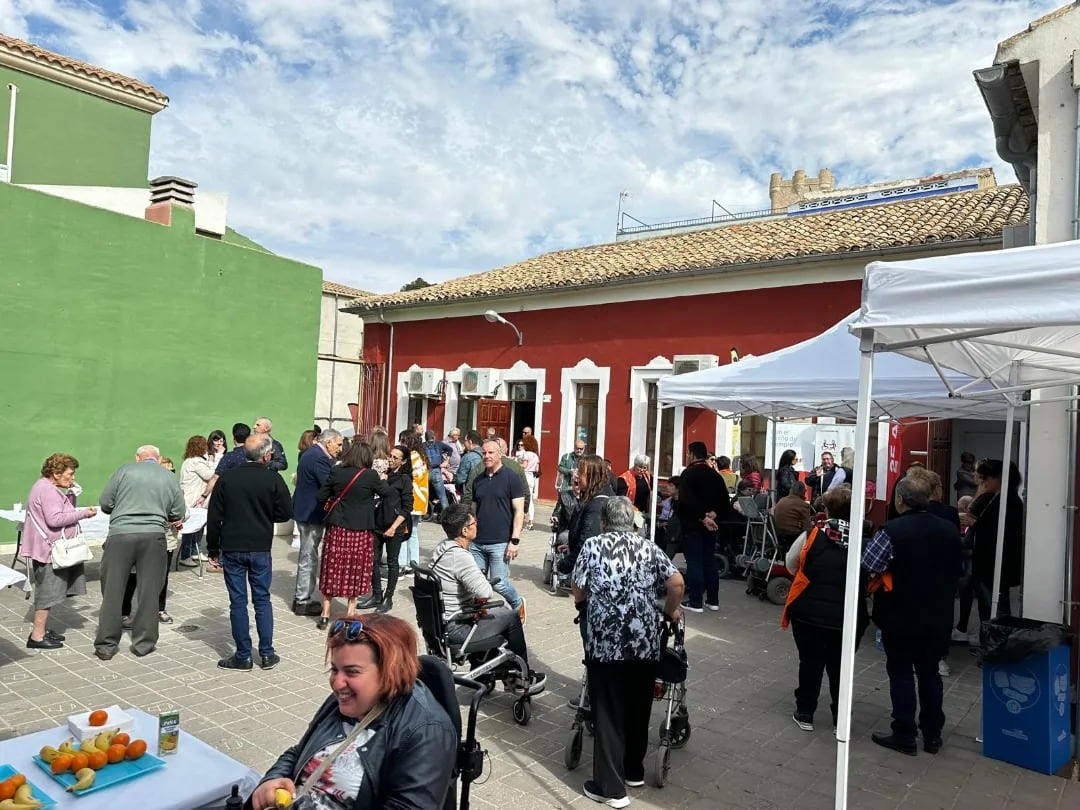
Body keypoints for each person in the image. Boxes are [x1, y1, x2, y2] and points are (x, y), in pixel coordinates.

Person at [249, 614, 458, 810]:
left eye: (352, 672)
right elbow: (298, 752)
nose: (337, 683)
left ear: (391, 671)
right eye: (334, 669)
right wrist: (272, 780)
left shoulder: (426, 732)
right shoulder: (343, 700)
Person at [571, 497, 685, 807]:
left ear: (604, 522)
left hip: (606, 645)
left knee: (607, 713)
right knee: (638, 708)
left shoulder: (593, 546)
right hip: (644, 643)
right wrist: (670, 612)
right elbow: (676, 582)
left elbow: (577, 587)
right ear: (632, 522)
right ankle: (634, 769)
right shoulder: (648, 547)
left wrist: (584, 603)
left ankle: (611, 789)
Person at [862, 476, 962, 756]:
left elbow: (869, 563)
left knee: (901, 673)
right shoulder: (949, 530)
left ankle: (904, 733)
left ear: (900, 500)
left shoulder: (892, 530)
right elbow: (959, 568)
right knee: (930, 673)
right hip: (938, 613)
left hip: (900, 613)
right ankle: (932, 735)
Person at [782, 485, 868, 732]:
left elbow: (791, 563)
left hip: (809, 612)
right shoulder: (864, 539)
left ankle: (806, 713)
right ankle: (840, 719)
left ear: (828, 508)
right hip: (848, 615)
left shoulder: (814, 534)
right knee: (841, 667)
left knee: (810, 663)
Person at [432, 503, 544, 687]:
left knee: (494, 614)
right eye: (474, 522)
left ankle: (485, 672)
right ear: (465, 530)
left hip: (441, 625)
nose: (478, 525)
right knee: (510, 617)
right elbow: (485, 592)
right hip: (457, 628)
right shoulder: (460, 557)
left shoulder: (441, 548)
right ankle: (522, 676)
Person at [207, 434, 293, 671]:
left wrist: (213, 549)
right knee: (262, 599)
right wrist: (267, 515)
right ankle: (266, 654)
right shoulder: (272, 478)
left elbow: (214, 517)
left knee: (238, 602)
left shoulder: (228, 478)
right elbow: (286, 512)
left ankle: (243, 655)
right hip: (260, 547)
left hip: (232, 546)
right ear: (266, 455)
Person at [95, 445, 185, 660]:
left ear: (138, 458)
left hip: (120, 534)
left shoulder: (123, 470)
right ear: (158, 458)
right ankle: (144, 644)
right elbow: (178, 511)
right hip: (153, 535)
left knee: (113, 591)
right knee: (149, 592)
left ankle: (106, 645)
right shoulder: (168, 476)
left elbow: (105, 503)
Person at [21, 453, 97, 649]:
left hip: (48, 548)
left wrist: (71, 494)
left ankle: (42, 630)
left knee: (49, 590)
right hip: (49, 550)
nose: (72, 478)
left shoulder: (47, 487)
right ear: (56, 473)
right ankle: (37, 636)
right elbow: (55, 519)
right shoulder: (47, 491)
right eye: (70, 474)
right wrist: (85, 514)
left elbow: (63, 511)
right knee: (47, 592)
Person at [318, 442, 390, 624]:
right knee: (356, 569)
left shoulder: (337, 472)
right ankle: (350, 612)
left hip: (338, 527)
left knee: (332, 568)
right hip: (360, 529)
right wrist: (382, 480)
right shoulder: (370, 475)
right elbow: (386, 493)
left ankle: (325, 613)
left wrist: (337, 498)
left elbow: (320, 496)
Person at [470, 439, 528, 625]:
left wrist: (515, 540)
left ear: (500, 454)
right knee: (476, 583)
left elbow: (519, 511)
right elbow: (473, 509)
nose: (486, 456)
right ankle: (481, 614)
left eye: (490, 453)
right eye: (484, 453)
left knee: (499, 583)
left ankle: (517, 604)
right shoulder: (478, 480)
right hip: (477, 541)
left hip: (500, 541)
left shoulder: (511, 477)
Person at [121, 456, 181, 626]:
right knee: (133, 576)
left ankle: (159, 609)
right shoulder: (144, 489)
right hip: (144, 537)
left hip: (166, 540)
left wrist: (179, 518)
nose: (170, 475)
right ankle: (124, 612)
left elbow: (184, 510)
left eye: (172, 471)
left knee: (162, 577)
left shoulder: (175, 489)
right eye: (166, 471)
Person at [676, 442, 734, 613]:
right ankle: (713, 600)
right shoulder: (715, 475)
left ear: (692, 454)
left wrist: (702, 517)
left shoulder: (688, 474)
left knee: (694, 561)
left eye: (688, 454)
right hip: (712, 526)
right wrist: (713, 515)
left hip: (694, 525)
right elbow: (725, 501)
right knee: (709, 560)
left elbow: (686, 501)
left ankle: (695, 601)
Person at [292, 429, 344, 617]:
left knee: (309, 555)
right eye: (338, 444)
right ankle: (302, 600)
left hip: (306, 511)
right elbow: (329, 484)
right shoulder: (318, 458)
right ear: (328, 442)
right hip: (310, 514)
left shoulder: (313, 454)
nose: (340, 448)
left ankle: (302, 596)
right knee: (308, 556)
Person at [964, 459, 1024, 621]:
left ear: (998, 478)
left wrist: (975, 524)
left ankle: (996, 641)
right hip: (992, 564)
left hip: (994, 564)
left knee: (996, 609)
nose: (983, 482)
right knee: (990, 607)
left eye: (986, 478)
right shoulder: (1002, 498)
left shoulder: (1008, 501)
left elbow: (1001, 532)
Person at [366, 444, 414, 611]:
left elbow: (407, 507)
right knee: (372, 560)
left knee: (392, 562)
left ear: (403, 461)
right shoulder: (384, 475)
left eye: (395, 458)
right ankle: (376, 594)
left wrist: (394, 527)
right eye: (390, 456)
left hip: (395, 526)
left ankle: (388, 598)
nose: (391, 460)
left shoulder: (405, 479)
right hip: (378, 524)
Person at [559, 455, 614, 581]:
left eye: (580, 472)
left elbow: (588, 542)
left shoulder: (597, 504)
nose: (577, 475)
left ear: (591, 476)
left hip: (594, 574)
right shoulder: (594, 496)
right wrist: (571, 546)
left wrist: (565, 564)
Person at [196, 422, 252, 509]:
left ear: (234, 439)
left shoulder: (229, 457)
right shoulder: (255, 455)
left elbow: (215, 478)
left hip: (233, 499)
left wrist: (204, 496)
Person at [178, 435, 215, 566]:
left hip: (192, 498)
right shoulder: (196, 462)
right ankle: (186, 555)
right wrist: (211, 460)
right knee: (191, 527)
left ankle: (194, 551)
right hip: (194, 499)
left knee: (198, 526)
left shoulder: (189, 461)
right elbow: (210, 474)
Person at [399, 433, 429, 575]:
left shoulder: (410, 457)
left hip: (411, 499)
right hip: (421, 500)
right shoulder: (422, 457)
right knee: (414, 533)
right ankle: (414, 563)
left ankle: (402, 564)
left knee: (404, 533)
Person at [773, 479, 813, 549]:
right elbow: (807, 528)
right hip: (793, 537)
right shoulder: (803, 505)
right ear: (802, 491)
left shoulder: (781, 501)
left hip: (777, 535)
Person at [422, 430, 453, 513]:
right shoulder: (439, 444)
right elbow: (450, 449)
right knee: (442, 495)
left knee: (424, 494)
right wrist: (446, 461)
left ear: (425, 437)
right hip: (436, 471)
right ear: (433, 436)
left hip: (425, 471)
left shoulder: (422, 445)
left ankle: (422, 514)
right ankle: (446, 515)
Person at [514, 439, 540, 531]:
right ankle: (531, 522)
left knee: (521, 498)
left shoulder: (526, 454)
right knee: (530, 500)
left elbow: (524, 465)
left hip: (525, 475)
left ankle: (521, 520)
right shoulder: (536, 455)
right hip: (532, 477)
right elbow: (537, 469)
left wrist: (516, 463)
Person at [618, 454, 653, 518]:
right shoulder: (624, 479)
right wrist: (635, 511)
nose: (642, 470)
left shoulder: (647, 476)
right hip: (629, 513)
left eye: (644, 467)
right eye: (640, 466)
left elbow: (652, 490)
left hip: (644, 512)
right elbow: (621, 499)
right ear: (635, 465)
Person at [454, 430, 483, 497]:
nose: (464, 443)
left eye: (465, 440)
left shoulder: (468, 457)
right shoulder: (486, 454)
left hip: (470, 494)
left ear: (470, 442)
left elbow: (460, 479)